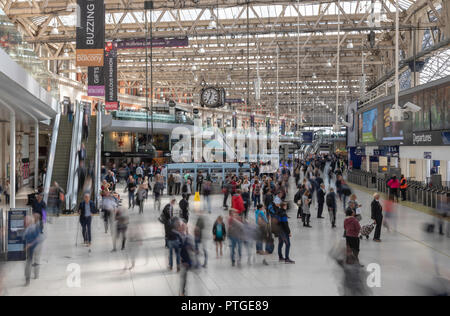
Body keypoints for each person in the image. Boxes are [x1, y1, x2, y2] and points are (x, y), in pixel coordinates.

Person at [24, 214, 43, 286]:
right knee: (30, 262)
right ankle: (29, 277)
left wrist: (30, 244)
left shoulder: (35, 227)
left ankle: (35, 275)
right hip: (31, 247)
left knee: (35, 260)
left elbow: (39, 237)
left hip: (36, 246)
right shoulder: (28, 229)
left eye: (26, 221)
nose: (25, 222)